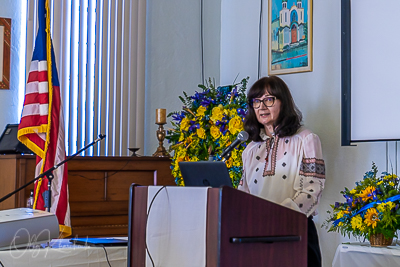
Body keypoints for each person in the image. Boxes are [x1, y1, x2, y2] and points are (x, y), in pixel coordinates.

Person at [238, 76, 325, 267]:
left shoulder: (306, 139)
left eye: (269, 100)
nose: (261, 106)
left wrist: (278, 216)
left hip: (294, 232)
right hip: (256, 235)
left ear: (283, 102)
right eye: (256, 101)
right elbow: (244, 192)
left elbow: (313, 190)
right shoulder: (251, 149)